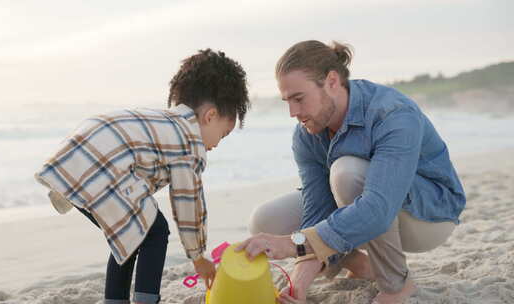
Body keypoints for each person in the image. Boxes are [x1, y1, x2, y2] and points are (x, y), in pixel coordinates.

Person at [236, 40, 466, 304]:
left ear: (332, 81)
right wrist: (299, 283)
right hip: (369, 212)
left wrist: (293, 244)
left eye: (299, 99)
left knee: (347, 173)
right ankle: (364, 265)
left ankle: (396, 286)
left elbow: (378, 208)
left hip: (428, 218)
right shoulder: (307, 132)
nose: (293, 113)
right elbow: (317, 208)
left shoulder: (392, 114)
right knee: (266, 221)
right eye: (287, 101)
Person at [35, 49, 250, 304]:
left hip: (79, 158)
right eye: (222, 135)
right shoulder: (189, 143)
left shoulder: (162, 122)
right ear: (210, 116)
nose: (216, 144)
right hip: (104, 166)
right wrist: (198, 256)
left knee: (132, 231)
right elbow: (187, 202)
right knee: (155, 230)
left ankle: (114, 298)